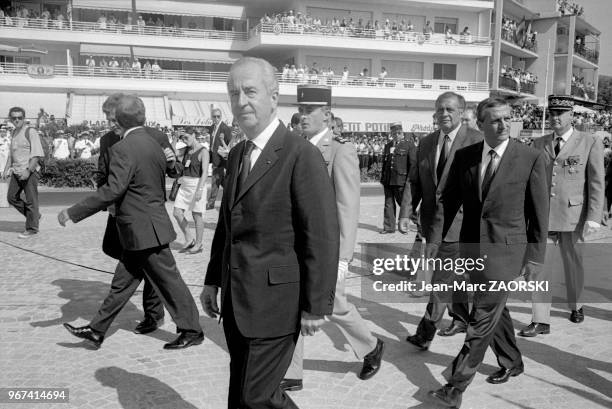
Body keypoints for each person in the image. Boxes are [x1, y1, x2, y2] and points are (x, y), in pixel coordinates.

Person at [201, 57, 339, 409]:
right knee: (246, 393)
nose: (241, 101)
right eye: (234, 93)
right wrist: (212, 280)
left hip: (276, 304)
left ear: (274, 96)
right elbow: (227, 228)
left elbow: (321, 235)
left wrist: (316, 305)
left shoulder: (300, 155)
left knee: (255, 397)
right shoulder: (237, 155)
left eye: (250, 91)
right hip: (237, 301)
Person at [427, 97, 549, 408]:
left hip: (507, 253)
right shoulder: (466, 156)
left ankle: (455, 386)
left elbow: (539, 214)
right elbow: (449, 202)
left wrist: (535, 257)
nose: (504, 124)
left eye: (507, 118)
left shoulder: (530, 158)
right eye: (495, 120)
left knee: (481, 317)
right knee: (495, 311)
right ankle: (511, 360)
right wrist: (434, 242)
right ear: (480, 124)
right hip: (472, 249)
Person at [59, 95, 204, 350]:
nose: (110, 122)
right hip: (145, 228)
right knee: (122, 284)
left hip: (143, 229)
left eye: (114, 118)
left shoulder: (124, 148)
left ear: (122, 119)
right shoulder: (152, 143)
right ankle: (97, 330)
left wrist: (73, 212)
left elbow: (113, 190)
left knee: (170, 283)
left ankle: (192, 330)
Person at [282, 85, 384, 392]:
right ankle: (292, 371)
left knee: (334, 303)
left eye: (309, 110)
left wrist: (343, 258)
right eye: (300, 110)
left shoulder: (341, 151)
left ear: (327, 115)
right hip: (297, 245)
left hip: (327, 249)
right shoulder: (296, 147)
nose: (302, 116)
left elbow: (347, 208)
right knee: (293, 304)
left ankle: (370, 346)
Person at [399, 92, 482, 349]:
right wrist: (405, 213)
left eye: (449, 109)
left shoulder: (478, 141)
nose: (443, 114)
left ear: (461, 112)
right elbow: (414, 182)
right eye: (439, 109)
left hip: (462, 224)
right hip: (432, 225)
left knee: (441, 279)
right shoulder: (426, 143)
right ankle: (461, 318)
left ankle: (425, 333)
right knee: (451, 276)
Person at [518, 95, 605, 337]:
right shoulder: (539, 143)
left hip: (573, 216)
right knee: (539, 268)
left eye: (560, 113)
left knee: (573, 265)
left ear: (571, 116)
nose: (555, 117)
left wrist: (594, 216)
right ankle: (540, 320)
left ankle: (576, 304)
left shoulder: (589, 142)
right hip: (544, 217)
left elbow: (596, 182)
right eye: (552, 112)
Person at [2, 107, 44, 238]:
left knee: (31, 201)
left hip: (29, 172)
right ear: (10, 118)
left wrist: (28, 171)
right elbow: (11, 154)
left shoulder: (30, 131)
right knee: (12, 198)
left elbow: (36, 155)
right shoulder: (14, 132)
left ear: (24, 118)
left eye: (19, 117)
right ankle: (35, 216)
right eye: (14, 118)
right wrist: (6, 169)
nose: (16, 120)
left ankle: (32, 228)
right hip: (16, 171)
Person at [172, 127, 209, 254]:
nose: (185, 140)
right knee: (177, 212)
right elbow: (173, 153)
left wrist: (200, 189)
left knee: (197, 215)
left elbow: (204, 172)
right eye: (183, 138)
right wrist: (176, 138)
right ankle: (189, 238)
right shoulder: (187, 149)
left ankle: (198, 244)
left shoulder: (203, 151)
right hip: (185, 185)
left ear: (193, 135)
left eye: (186, 137)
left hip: (197, 184)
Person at [379, 122, 416, 234]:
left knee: (404, 204)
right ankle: (389, 227)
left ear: (402, 133)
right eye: (394, 133)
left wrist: (410, 180)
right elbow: (385, 163)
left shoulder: (409, 145)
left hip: (401, 180)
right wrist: (383, 178)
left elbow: (413, 164)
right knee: (388, 204)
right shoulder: (388, 145)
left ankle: (420, 223)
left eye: (398, 133)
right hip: (388, 179)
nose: (396, 135)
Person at [206, 108, 232, 210]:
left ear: (221, 117)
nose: (216, 118)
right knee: (220, 181)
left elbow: (229, 145)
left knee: (215, 181)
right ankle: (233, 193)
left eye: (218, 116)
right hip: (214, 157)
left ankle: (211, 203)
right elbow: (212, 143)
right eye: (214, 116)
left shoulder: (225, 128)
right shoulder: (212, 127)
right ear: (211, 117)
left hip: (221, 159)